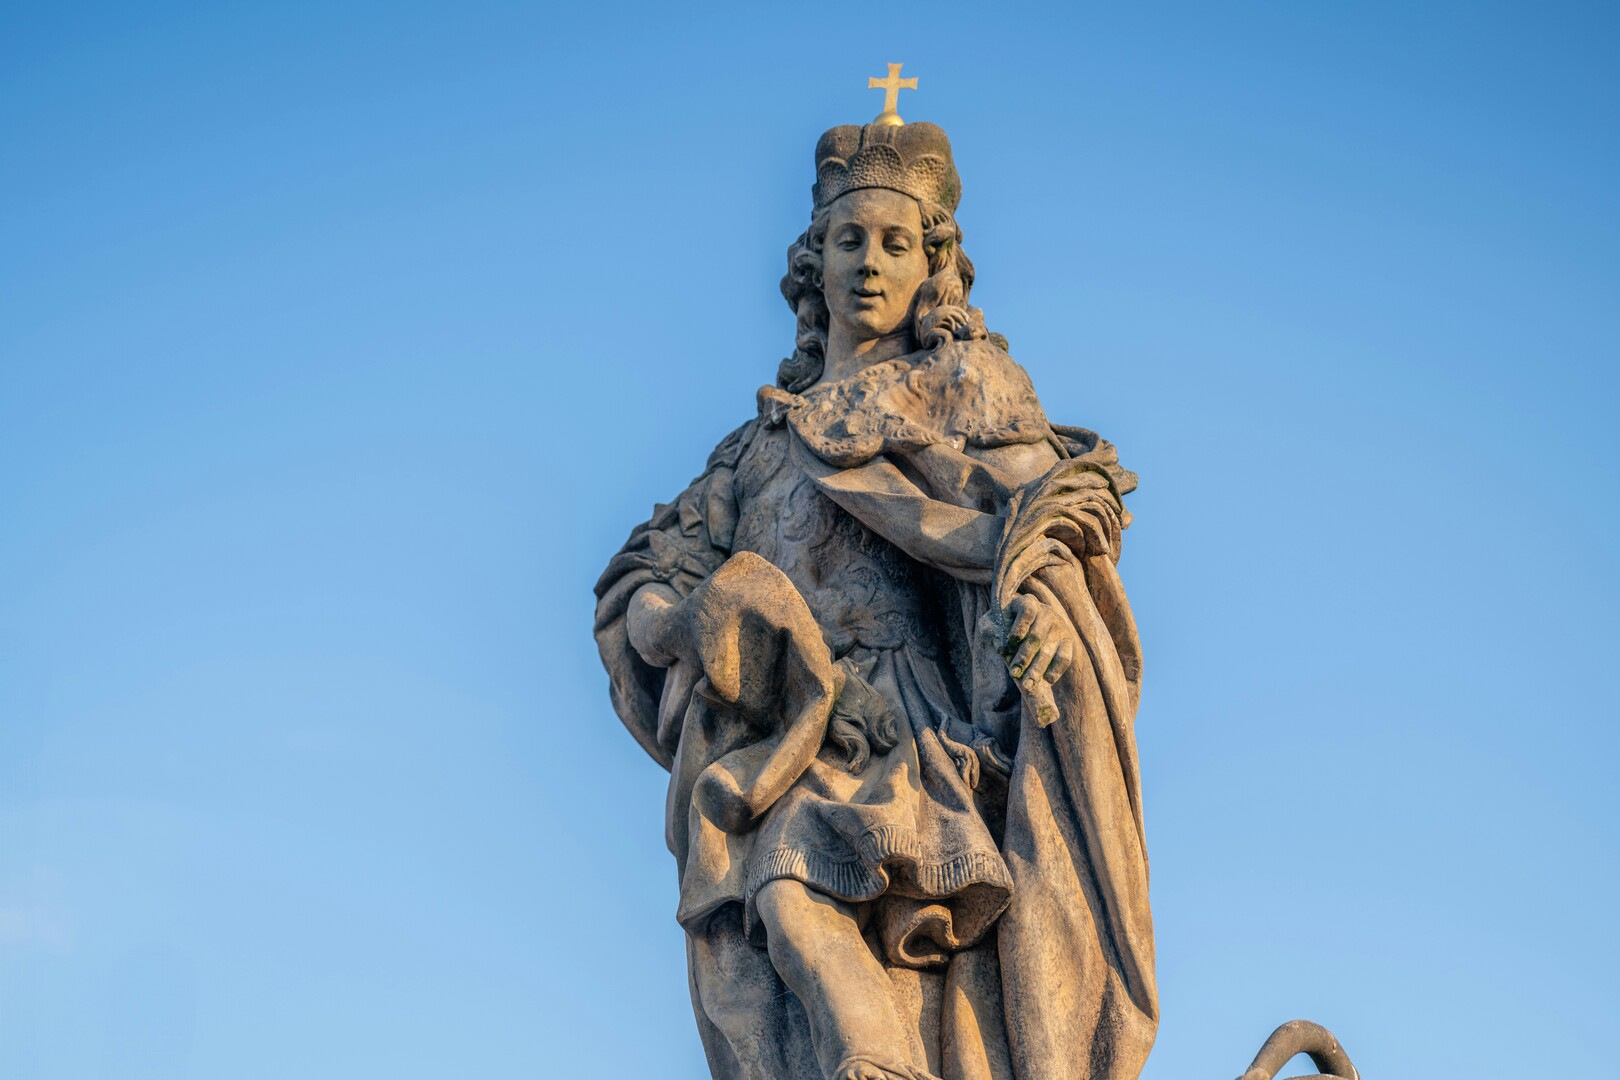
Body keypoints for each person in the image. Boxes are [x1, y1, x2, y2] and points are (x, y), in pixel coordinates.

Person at [595, 119, 1156, 1080]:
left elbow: (1040, 525)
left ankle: (878, 1056)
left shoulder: (970, 390)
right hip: (790, 725)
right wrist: (681, 619)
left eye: (896, 244)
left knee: (805, 874)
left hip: (919, 728)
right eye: (849, 239)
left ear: (933, 265)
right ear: (814, 264)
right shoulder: (757, 448)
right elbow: (644, 574)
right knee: (779, 882)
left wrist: (1035, 611)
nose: (869, 263)